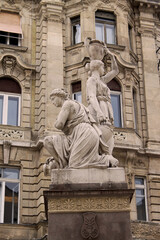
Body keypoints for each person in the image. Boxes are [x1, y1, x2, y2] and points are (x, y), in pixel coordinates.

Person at [43, 88, 118, 174]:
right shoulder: (77, 104)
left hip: (84, 133)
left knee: (75, 163)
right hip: (74, 136)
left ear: (60, 96)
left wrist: (56, 122)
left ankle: (106, 159)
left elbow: (59, 124)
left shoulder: (67, 104)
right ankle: (61, 164)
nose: (52, 102)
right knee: (47, 141)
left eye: (53, 99)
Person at [86, 48, 119, 154]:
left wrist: (112, 57)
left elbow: (115, 71)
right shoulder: (91, 80)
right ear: (98, 67)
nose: (104, 69)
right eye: (103, 67)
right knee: (98, 133)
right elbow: (92, 97)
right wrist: (99, 112)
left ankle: (108, 155)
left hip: (105, 107)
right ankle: (97, 156)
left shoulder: (102, 80)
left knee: (108, 131)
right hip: (97, 108)